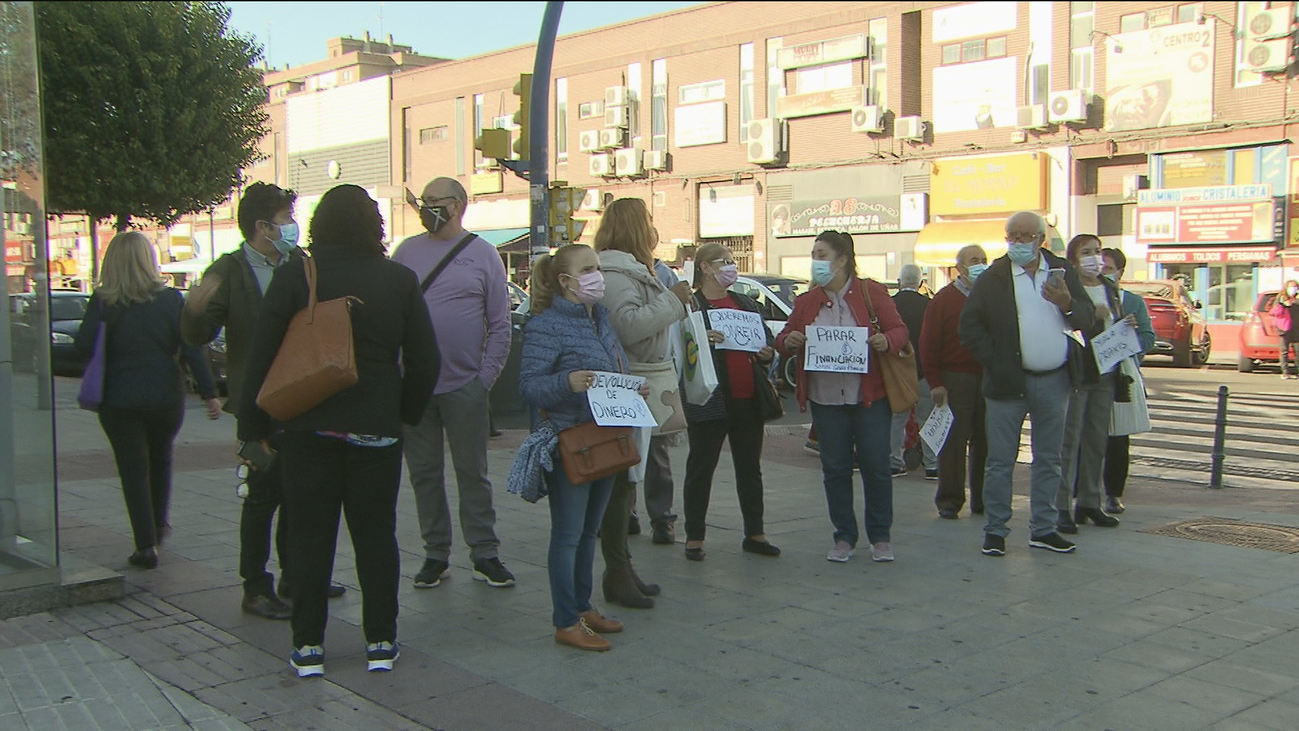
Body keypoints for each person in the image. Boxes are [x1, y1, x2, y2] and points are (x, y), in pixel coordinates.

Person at [237, 185, 439, 678]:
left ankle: (308, 646)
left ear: (319, 225)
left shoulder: (295, 276)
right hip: (376, 429)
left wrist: (253, 425)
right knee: (376, 536)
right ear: (375, 226)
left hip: (308, 428)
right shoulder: (398, 279)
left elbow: (259, 357)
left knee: (309, 536)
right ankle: (381, 641)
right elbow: (427, 361)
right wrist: (402, 413)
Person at [184, 182, 345, 620]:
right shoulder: (230, 270)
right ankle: (255, 586)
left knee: (301, 494)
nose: (291, 227)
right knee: (262, 497)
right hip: (258, 403)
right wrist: (194, 311)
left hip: (303, 395)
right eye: (284, 220)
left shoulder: (301, 263)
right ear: (261, 226)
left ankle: (296, 574)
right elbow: (198, 336)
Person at [392, 177, 514, 589]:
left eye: (436, 202)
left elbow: (500, 325)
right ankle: (435, 554)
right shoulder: (406, 252)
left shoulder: (483, 255)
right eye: (423, 202)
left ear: (459, 204)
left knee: (471, 473)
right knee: (424, 473)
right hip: (415, 386)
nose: (427, 208)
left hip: (465, 385)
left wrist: (485, 378)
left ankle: (484, 552)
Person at [517, 244, 638, 652]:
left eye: (598, 268)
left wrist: (631, 385)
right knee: (568, 535)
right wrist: (566, 382)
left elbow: (614, 368)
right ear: (565, 281)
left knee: (590, 532)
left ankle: (583, 606)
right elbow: (529, 386)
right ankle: (565, 620)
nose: (596, 276)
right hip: (571, 441)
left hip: (607, 438)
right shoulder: (545, 325)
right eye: (588, 269)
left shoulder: (600, 317)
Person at [76, 232, 221, 569]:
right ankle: (159, 526)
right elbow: (192, 349)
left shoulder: (103, 301)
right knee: (161, 461)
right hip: (165, 397)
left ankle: (144, 546)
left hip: (118, 399)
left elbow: (83, 346)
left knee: (132, 469)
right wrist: (209, 393)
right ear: (148, 260)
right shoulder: (171, 300)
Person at [958, 212, 1096, 557]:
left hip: (1053, 380)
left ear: (1040, 239)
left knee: (1049, 458)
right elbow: (970, 326)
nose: (1018, 244)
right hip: (1007, 383)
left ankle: (1044, 528)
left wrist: (1066, 303)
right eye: (1012, 237)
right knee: (1000, 460)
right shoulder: (995, 276)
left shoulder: (1061, 271)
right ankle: (995, 530)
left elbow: (1088, 317)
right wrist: (996, 359)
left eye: (1025, 237)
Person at [776, 230, 909, 564]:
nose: (816, 261)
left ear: (842, 259)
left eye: (822, 254)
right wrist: (789, 340)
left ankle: (880, 536)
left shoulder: (871, 293)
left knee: (876, 466)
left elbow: (899, 330)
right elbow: (783, 337)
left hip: (868, 397)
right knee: (834, 468)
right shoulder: (807, 301)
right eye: (814, 254)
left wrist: (886, 342)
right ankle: (844, 536)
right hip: (825, 399)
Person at [594, 197, 691, 607]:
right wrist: (673, 300)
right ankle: (617, 570)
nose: (654, 228)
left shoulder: (629, 269)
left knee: (626, 482)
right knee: (620, 482)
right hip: (628, 385)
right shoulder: (616, 273)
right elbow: (628, 326)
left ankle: (623, 567)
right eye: (649, 220)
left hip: (636, 384)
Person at [681, 243, 780, 562]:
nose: (731, 267)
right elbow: (678, 347)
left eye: (732, 261)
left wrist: (768, 352)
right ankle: (694, 536)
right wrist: (699, 339)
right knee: (701, 467)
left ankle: (755, 532)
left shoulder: (746, 302)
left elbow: (765, 339)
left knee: (750, 468)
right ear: (706, 268)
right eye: (725, 262)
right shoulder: (691, 305)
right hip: (710, 399)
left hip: (748, 398)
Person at [1055, 235, 1126, 535]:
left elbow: (1116, 321)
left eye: (1097, 252)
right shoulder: (1068, 288)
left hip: (1107, 369)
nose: (1094, 258)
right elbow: (1065, 325)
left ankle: (1089, 500)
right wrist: (1092, 317)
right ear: (1073, 259)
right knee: (1069, 441)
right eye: (1086, 252)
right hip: (1079, 370)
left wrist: (1125, 325)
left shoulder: (1109, 288)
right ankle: (1060, 506)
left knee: (1097, 438)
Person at [919, 245, 988, 519]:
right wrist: (936, 382)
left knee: (986, 442)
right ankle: (949, 500)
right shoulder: (944, 300)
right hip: (955, 378)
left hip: (987, 377)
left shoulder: (991, 298)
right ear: (959, 267)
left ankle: (982, 499)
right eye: (974, 260)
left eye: (984, 260)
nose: (980, 264)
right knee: (953, 443)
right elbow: (928, 344)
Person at [631, 247, 683, 545]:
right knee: (623, 449)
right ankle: (626, 513)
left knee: (657, 451)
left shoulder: (662, 273)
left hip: (659, 370)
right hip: (629, 369)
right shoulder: (611, 270)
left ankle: (662, 518)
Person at [1099, 248, 1156, 515]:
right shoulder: (1085, 297)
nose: (1102, 273)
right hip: (1090, 376)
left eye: (1108, 268)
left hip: (1120, 376)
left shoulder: (1132, 302)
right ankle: (1080, 493)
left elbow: (1147, 339)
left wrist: (1127, 334)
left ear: (1120, 272)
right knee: (1083, 439)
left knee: (1118, 439)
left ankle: (1113, 493)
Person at [889, 264, 937, 480]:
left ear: (899, 282)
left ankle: (894, 461)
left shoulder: (890, 305)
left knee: (897, 417)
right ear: (920, 283)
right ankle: (932, 465)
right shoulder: (929, 305)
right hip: (925, 369)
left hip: (898, 370)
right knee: (927, 417)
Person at [1274, 279, 1299, 380]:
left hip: (1297, 328)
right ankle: (1285, 372)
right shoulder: (1281, 298)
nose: (1293, 289)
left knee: (1298, 351)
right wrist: (1283, 305)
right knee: (1284, 351)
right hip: (1284, 328)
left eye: (1295, 287)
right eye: (1291, 287)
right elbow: (1275, 312)